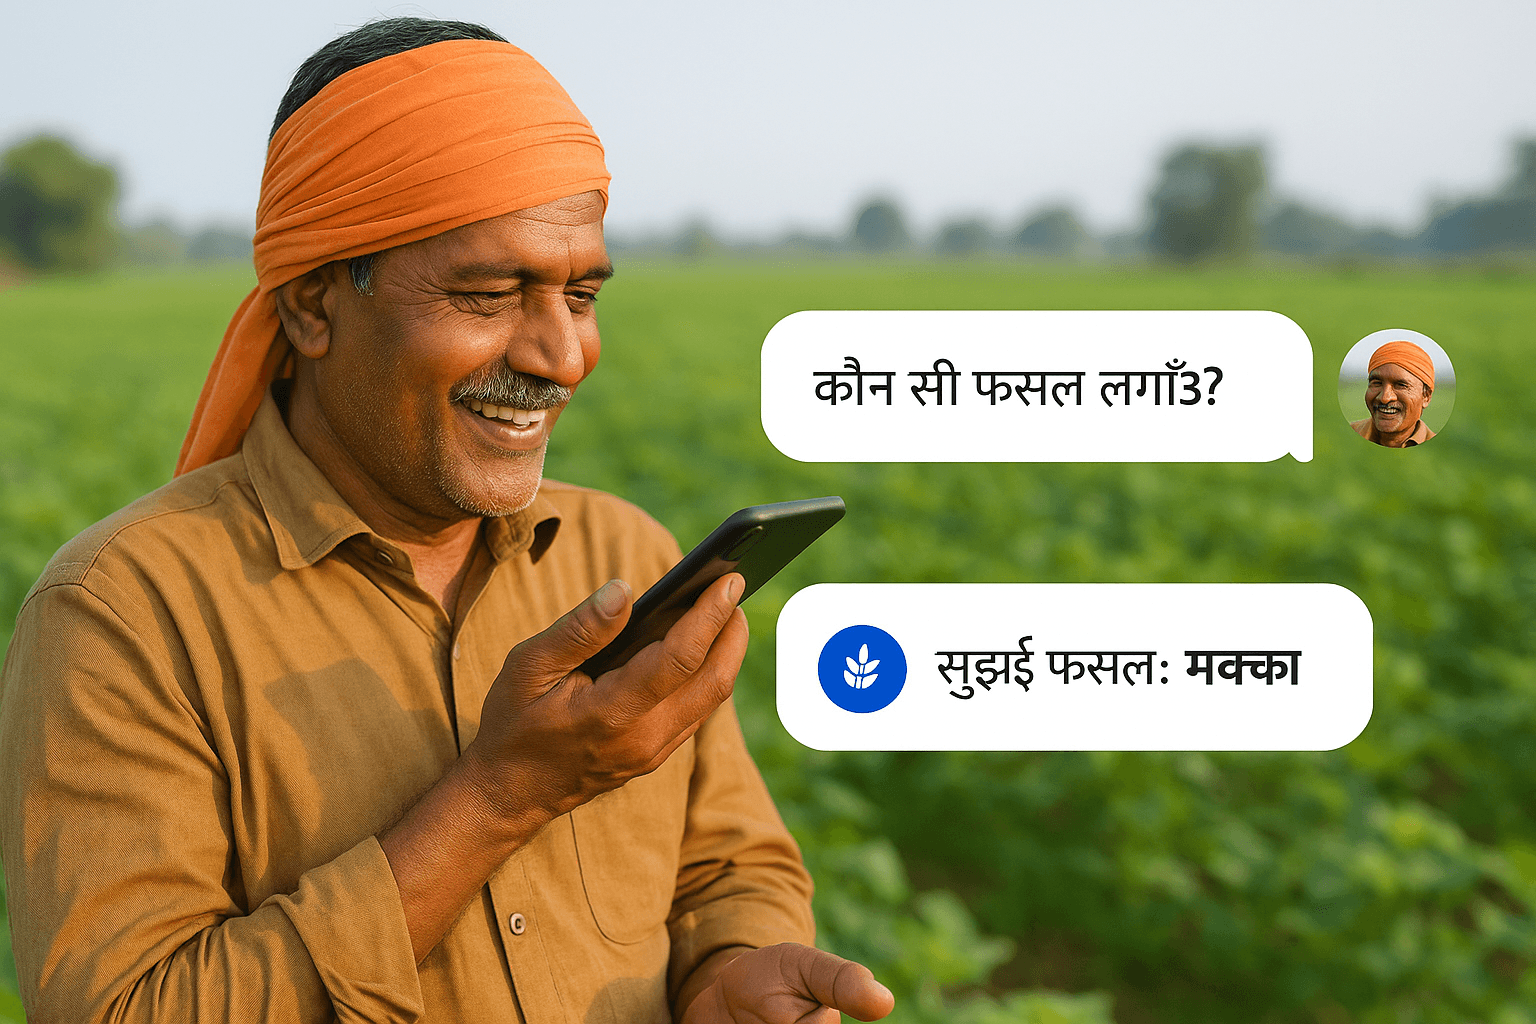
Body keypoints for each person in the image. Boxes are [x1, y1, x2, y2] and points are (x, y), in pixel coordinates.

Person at [0, 19, 894, 1024]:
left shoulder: (619, 557)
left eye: (582, 292)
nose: (561, 356)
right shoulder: (125, 614)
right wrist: (497, 797)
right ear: (310, 305)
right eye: (487, 292)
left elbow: (726, 862)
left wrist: (729, 967)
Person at [1350, 340, 1437, 448]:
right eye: (1377, 383)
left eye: (1401, 385)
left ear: (1426, 397)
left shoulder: (1442, 450)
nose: (1384, 398)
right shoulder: (1346, 437)